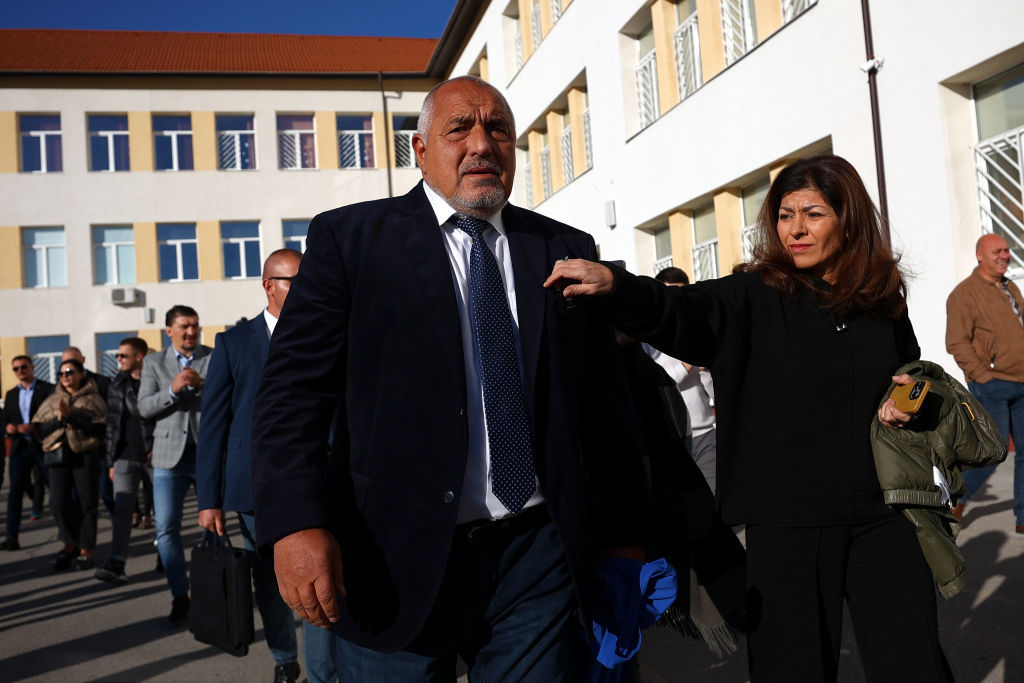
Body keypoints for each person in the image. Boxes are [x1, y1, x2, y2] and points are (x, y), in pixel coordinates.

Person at [250, 75, 649, 681]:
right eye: (459, 128)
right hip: (389, 557)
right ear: (420, 149)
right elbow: (291, 395)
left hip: (535, 559)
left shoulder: (562, 247)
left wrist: (623, 538)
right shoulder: (351, 241)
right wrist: (295, 522)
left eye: (498, 130)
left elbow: (604, 405)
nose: (481, 144)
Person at [545, 154, 954, 682]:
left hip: (884, 515)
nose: (795, 229)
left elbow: (911, 371)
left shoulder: (881, 299)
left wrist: (910, 396)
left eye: (813, 213)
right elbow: (679, 309)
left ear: (848, 220)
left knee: (914, 663)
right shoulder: (753, 297)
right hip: (788, 524)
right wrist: (618, 287)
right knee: (792, 670)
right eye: (785, 215)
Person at [196, 249, 309, 683]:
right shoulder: (234, 343)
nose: (305, 288)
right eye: (294, 280)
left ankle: (325, 669)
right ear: (269, 286)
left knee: (319, 575)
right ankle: (285, 659)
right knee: (271, 583)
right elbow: (214, 425)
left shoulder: (325, 328)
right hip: (254, 487)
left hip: (316, 477)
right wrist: (209, 500)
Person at [137, 305, 211, 625]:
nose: (191, 332)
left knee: (213, 526)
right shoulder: (153, 362)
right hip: (169, 459)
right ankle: (180, 594)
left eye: (195, 325)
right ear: (169, 331)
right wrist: (172, 389)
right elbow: (143, 407)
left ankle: (212, 590)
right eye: (184, 326)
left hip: (207, 455)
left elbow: (230, 396)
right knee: (166, 528)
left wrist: (202, 385)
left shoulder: (213, 357)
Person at [945, 233, 1024, 533]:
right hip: (992, 384)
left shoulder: (1010, 286)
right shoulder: (964, 294)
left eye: (1006, 250)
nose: (1004, 255)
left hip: (1021, 381)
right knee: (992, 453)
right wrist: (982, 374)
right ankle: (955, 496)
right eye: (997, 251)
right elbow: (956, 341)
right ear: (980, 255)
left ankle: (1023, 519)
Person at [32, 358, 106, 570]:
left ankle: (86, 548)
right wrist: (58, 420)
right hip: (58, 456)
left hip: (85, 455)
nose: (65, 376)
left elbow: (100, 429)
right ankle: (69, 541)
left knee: (87, 504)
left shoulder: (93, 398)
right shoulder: (52, 399)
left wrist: (72, 417)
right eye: (61, 373)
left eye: (70, 372)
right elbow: (40, 429)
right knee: (57, 503)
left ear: (81, 374)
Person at [650, 267, 718, 492]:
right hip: (672, 437)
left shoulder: (697, 331)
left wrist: (707, 370)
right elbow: (659, 383)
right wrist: (687, 364)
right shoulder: (649, 340)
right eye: (670, 294)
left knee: (712, 499)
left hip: (705, 432)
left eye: (681, 293)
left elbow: (714, 391)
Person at [94, 337, 154, 585]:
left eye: (123, 356)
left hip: (155, 457)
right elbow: (111, 426)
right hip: (123, 458)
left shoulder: (155, 380)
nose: (118, 359)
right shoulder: (117, 384)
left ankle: (166, 558)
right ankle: (117, 563)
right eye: (118, 355)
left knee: (163, 513)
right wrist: (111, 461)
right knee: (122, 512)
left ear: (139, 357)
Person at [2, 356, 54, 550]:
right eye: (15, 369)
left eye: (23, 367)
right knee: (15, 492)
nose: (20, 371)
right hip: (20, 447)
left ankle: (70, 535)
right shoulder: (11, 394)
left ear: (32, 367)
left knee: (55, 488)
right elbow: (5, 418)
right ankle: (11, 537)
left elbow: (53, 416)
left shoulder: (47, 389)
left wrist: (34, 426)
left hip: (42, 445)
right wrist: (9, 428)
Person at [63, 346, 114, 519]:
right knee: (76, 494)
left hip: (100, 444)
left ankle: (118, 523)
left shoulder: (102, 382)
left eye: (74, 362)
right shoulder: (60, 388)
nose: (68, 370)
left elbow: (111, 412)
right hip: (75, 448)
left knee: (106, 489)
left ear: (83, 361)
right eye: (65, 363)